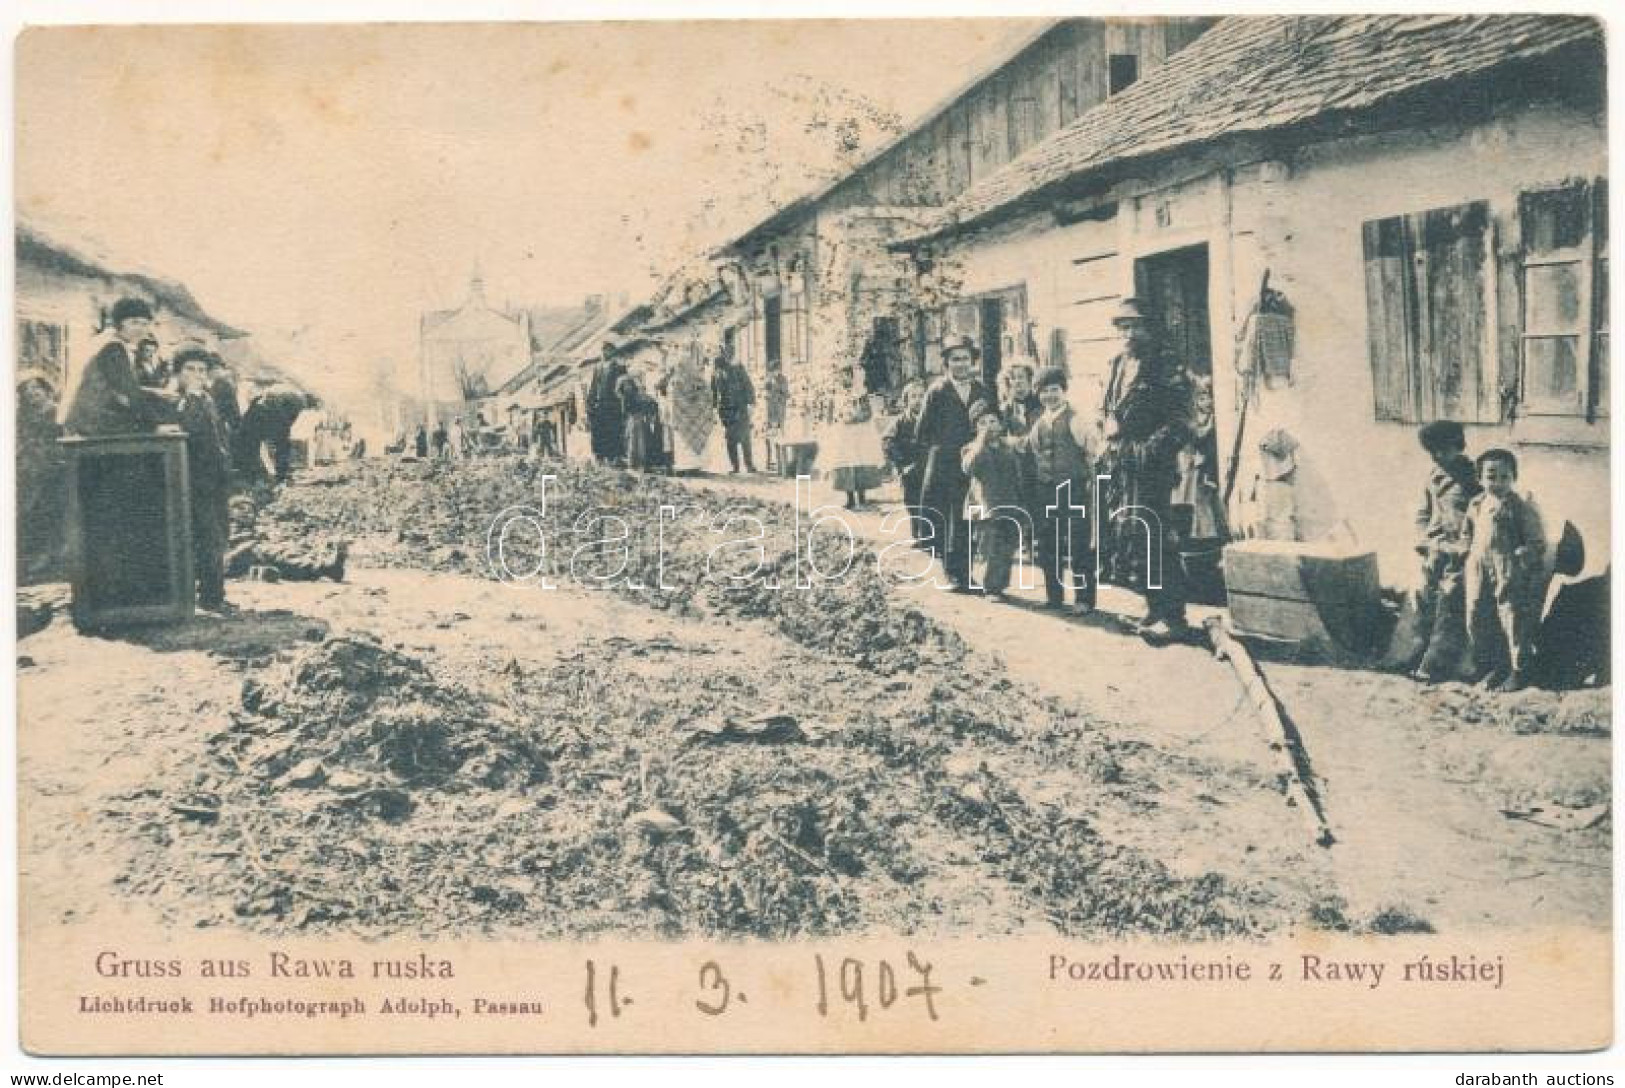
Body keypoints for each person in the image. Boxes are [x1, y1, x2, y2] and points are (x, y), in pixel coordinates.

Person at [1098, 298, 1192, 640]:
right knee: (1134, 537)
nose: (1129, 333)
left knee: (1157, 535)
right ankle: (1154, 608)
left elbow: (1181, 420)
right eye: (1123, 326)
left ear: (1149, 328)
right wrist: (1108, 432)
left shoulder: (1165, 364)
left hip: (1152, 465)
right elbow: (1108, 408)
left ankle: (1174, 615)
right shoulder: (1118, 364)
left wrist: (1149, 451)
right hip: (1122, 463)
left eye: (1135, 325)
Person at [915, 334, 995, 590]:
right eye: (954, 359)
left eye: (965, 359)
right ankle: (951, 573)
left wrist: (977, 436)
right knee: (947, 518)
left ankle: (967, 574)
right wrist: (945, 445)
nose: (960, 364)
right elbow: (921, 432)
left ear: (973, 361)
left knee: (969, 518)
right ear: (947, 363)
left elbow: (993, 422)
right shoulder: (937, 391)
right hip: (945, 464)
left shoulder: (981, 391)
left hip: (973, 463)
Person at [1463, 448, 1545, 692]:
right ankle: (1492, 667)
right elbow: (1467, 533)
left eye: (1505, 477)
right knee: (1477, 616)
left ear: (1514, 478)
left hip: (1508, 568)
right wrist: (1463, 553)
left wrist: (1524, 554)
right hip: (1477, 567)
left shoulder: (1520, 507)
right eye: (1491, 476)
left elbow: (1536, 542)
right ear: (1480, 478)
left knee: (1512, 618)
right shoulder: (1476, 504)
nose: (1498, 483)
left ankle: (1518, 671)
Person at [1024, 366, 1098, 613]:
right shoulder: (1038, 422)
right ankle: (1054, 597)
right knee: (1048, 544)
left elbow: (1092, 452)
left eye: (1054, 390)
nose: (1050, 396)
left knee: (1078, 544)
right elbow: (1031, 451)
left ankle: (1084, 599)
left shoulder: (1077, 419)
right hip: (1046, 491)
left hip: (1074, 489)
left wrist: (1089, 481)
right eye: (1044, 391)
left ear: (1063, 391)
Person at [1410, 420, 1479, 682]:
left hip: (1461, 552)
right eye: (1433, 451)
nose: (1439, 456)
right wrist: (1423, 542)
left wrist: (1465, 547)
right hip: (1435, 549)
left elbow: (1480, 517)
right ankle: (1418, 651)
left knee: (1450, 603)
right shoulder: (1433, 475)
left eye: (1444, 449)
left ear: (1458, 446)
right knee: (1425, 600)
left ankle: (1435, 664)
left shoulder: (1473, 477)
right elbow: (1423, 513)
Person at [173, 347, 231, 611]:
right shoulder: (177, 400)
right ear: (178, 373)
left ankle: (213, 592)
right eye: (190, 369)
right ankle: (210, 596)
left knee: (217, 532)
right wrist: (194, 399)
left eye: (201, 370)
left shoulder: (206, 399)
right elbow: (192, 432)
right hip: (190, 477)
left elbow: (218, 435)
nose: (197, 375)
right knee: (205, 535)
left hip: (213, 475)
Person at [64, 297, 173, 436]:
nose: (140, 329)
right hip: (95, 421)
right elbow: (129, 391)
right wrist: (155, 426)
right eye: (134, 323)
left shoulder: (115, 344)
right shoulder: (113, 348)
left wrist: (154, 393)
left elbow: (122, 385)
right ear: (120, 324)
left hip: (92, 419)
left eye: (145, 324)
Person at [961, 404, 1027, 602]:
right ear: (975, 427)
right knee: (990, 546)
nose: (989, 426)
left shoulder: (1009, 446)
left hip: (1010, 502)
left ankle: (1000, 585)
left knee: (1008, 546)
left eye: (992, 421)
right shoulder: (971, 448)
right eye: (982, 423)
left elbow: (1019, 469)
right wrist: (980, 440)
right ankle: (990, 587)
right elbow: (968, 467)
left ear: (1000, 424)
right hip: (986, 505)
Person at [823, 366, 887, 509]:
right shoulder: (836, 395)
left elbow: (868, 412)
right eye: (841, 376)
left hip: (860, 434)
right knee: (846, 463)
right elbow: (830, 415)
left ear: (852, 377)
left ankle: (862, 497)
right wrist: (836, 421)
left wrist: (856, 417)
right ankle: (850, 498)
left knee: (860, 462)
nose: (844, 379)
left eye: (847, 376)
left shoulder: (860, 393)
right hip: (844, 435)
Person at [883, 381, 927, 544]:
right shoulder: (900, 422)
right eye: (913, 397)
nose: (918, 400)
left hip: (929, 466)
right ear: (906, 400)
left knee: (931, 501)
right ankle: (917, 534)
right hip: (909, 469)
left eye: (922, 396)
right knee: (913, 501)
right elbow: (888, 442)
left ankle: (931, 536)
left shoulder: (932, 419)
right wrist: (901, 463)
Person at [711, 350, 757, 473]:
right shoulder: (715, 375)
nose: (719, 372)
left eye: (721, 369)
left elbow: (749, 386)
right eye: (717, 369)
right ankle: (735, 466)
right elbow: (714, 393)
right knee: (730, 439)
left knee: (745, 438)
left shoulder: (737, 370)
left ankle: (749, 465)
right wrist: (714, 408)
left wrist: (751, 404)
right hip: (726, 411)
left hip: (740, 408)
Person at [586, 343, 628, 465]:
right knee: (599, 431)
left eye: (607, 351)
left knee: (613, 430)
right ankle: (600, 456)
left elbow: (623, 387)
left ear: (612, 352)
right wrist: (590, 402)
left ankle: (614, 457)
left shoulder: (619, 368)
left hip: (613, 404)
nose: (604, 353)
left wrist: (622, 403)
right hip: (600, 405)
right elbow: (594, 386)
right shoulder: (598, 368)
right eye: (602, 351)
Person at [618, 372, 661, 471]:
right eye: (625, 386)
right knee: (634, 442)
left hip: (640, 419)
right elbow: (626, 410)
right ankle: (635, 463)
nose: (627, 387)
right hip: (634, 419)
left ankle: (642, 463)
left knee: (641, 442)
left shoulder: (636, 395)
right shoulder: (625, 398)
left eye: (628, 385)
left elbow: (649, 404)